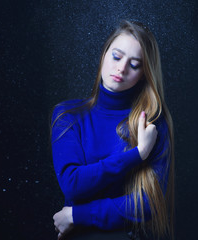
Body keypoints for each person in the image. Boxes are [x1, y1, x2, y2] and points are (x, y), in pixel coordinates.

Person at [51, 20, 175, 240]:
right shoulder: (68, 114)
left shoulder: (152, 122)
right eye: (116, 57)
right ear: (104, 54)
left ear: (144, 74)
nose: (122, 68)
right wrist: (136, 155)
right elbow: (72, 184)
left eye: (134, 65)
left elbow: (148, 204)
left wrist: (77, 215)